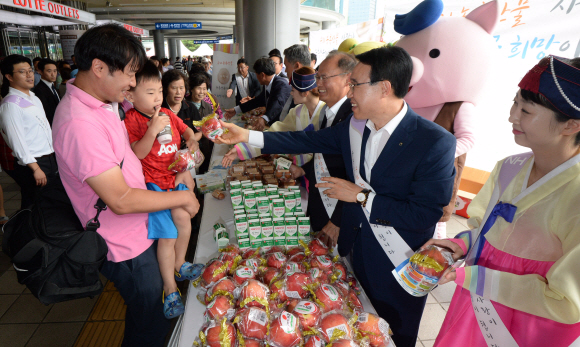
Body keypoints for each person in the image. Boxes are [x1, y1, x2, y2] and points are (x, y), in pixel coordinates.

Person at [214, 46, 456, 347]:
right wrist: (247, 135)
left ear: (384, 88)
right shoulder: (355, 127)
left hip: (397, 264)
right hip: (355, 248)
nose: (349, 91)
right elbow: (304, 139)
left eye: (355, 84)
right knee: (348, 326)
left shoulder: (435, 142)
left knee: (392, 334)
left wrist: (362, 197)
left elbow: (425, 213)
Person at [52, 24, 200, 346]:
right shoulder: (80, 123)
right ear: (99, 68)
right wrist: (180, 199)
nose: (134, 83)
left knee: (146, 316)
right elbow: (119, 199)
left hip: (139, 227)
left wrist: (180, 170)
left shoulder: (106, 102)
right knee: (152, 322)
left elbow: (141, 155)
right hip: (125, 245)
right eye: (130, 74)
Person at [426, 56, 580, 347]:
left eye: (527, 110)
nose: (513, 116)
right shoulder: (508, 167)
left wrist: (475, 278)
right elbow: (485, 228)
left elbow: (568, 302)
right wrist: (460, 245)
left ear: (570, 125)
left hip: (529, 326)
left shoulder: (576, 195)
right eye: (515, 103)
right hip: (476, 305)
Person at [124, 61, 201, 319]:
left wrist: (190, 141)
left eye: (159, 91)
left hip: (174, 179)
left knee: (184, 220)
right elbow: (138, 152)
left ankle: (180, 265)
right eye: (150, 93)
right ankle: (169, 289)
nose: (157, 97)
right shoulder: (133, 119)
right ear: (130, 95)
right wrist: (152, 131)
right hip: (153, 185)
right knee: (167, 235)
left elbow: (187, 130)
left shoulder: (168, 115)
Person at [290, 51, 356, 245]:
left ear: (347, 79)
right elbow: (325, 158)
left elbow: (356, 176)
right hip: (320, 202)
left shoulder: (353, 117)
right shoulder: (327, 112)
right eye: (317, 77)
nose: (318, 84)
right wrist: (304, 169)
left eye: (324, 78)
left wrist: (337, 220)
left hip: (337, 214)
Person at [222, 66, 325, 166]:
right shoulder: (296, 112)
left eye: (293, 90)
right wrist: (242, 149)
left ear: (305, 93)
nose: (291, 93)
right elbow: (272, 136)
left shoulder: (327, 113)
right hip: (299, 169)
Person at [0, 55, 56, 210]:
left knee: (48, 205)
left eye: (30, 71)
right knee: (33, 206)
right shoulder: (10, 105)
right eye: (22, 72)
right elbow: (17, 142)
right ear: (9, 76)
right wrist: (36, 169)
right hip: (33, 164)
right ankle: (22, 233)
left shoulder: (33, 97)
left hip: (49, 159)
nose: (29, 75)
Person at [225, 57, 291, 130]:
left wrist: (264, 118)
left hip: (284, 127)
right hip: (274, 126)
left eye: (257, 75)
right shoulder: (267, 85)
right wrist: (236, 109)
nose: (256, 77)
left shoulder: (281, 84)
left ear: (262, 75)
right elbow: (257, 101)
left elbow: (277, 103)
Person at [187, 73, 215, 174]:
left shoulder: (207, 106)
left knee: (204, 173)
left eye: (204, 88)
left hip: (205, 148)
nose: (202, 92)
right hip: (189, 149)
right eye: (199, 88)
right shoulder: (185, 106)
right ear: (191, 89)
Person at [279, 44, 312, 121]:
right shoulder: (298, 84)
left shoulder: (307, 89)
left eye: (286, 66)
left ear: (297, 66)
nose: (285, 70)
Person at [33, 58, 60, 126]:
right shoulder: (39, 90)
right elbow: (46, 113)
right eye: (49, 71)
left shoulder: (53, 87)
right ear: (40, 71)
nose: (53, 74)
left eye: (55, 71)